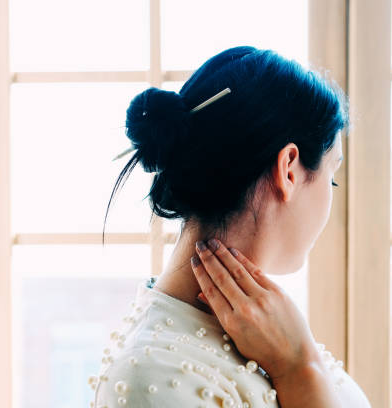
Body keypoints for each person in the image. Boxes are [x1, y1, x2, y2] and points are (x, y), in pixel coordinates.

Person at [90, 45, 371, 407]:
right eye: (331, 178)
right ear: (289, 169)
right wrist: (299, 372)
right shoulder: (154, 376)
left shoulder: (273, 329)